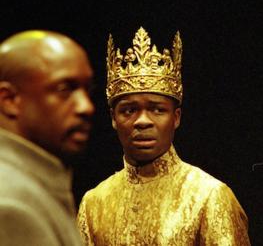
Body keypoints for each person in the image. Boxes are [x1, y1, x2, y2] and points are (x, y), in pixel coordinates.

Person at [77, 27, 250, 245]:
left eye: (157, 109)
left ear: (176, 117)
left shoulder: (208, 196)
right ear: (113, 118)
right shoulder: (94, 204)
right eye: (129, 110)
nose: (142, 121)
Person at [0, 30, 95, 245]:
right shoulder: (12, 205)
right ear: (10, 100)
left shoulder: (36, 185)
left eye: (87, 90)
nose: (86, 107)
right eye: (65, 89)